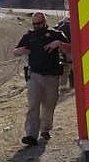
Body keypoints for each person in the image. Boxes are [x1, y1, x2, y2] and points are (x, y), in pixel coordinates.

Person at [14, 12, 69, 146]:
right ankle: (31, 135)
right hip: (35, 76)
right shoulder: (29, 36)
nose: (37, 26)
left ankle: (45, 129)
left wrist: (59, 44)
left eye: (39, 23)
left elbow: (71, 49)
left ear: (44, 22)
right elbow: (15, 51)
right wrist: (20, 51)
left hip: (52, 76)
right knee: (33, 105)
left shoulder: (56, 34)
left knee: (49, 105)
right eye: (34, 24)